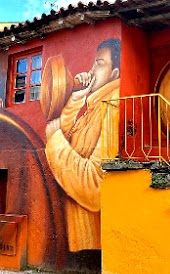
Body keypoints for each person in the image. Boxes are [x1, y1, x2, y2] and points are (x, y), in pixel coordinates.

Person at [44, 39, 121, 252]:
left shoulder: (114, 103)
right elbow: (71, 138)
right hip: (80, 241)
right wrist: (77, 98)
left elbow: (97, 186)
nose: (91, 69)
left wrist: (55, 143)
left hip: (91, 245)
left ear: (115, 73)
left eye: (99, 63)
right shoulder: (96, 104)